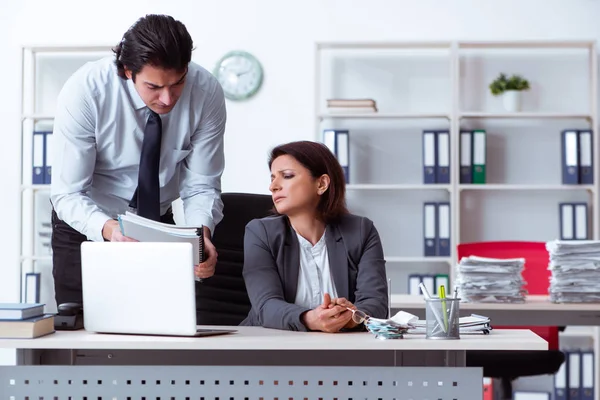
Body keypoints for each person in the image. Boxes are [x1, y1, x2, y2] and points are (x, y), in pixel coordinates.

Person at [50, 14, 226, 306]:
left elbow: (201, 186)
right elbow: (68, 193)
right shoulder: (86, 91)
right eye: (154, 87)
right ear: (128, 71)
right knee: (82, 328)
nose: (168, 99)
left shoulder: (206, 94)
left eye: (178, 83)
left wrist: (200, 237)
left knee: (160, 322)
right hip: (88, 221)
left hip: (155, 221)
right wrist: (110, 230)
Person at [240, 140, 388, 332]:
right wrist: (311, 319)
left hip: (343, 346)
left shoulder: (361, 231)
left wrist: (350, 318)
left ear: (322, 183)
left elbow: (376, 303)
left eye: (287, 176)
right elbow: (265, 307)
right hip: (272, 345)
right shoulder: (260, 233)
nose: (273, 187)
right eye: (272, 178)